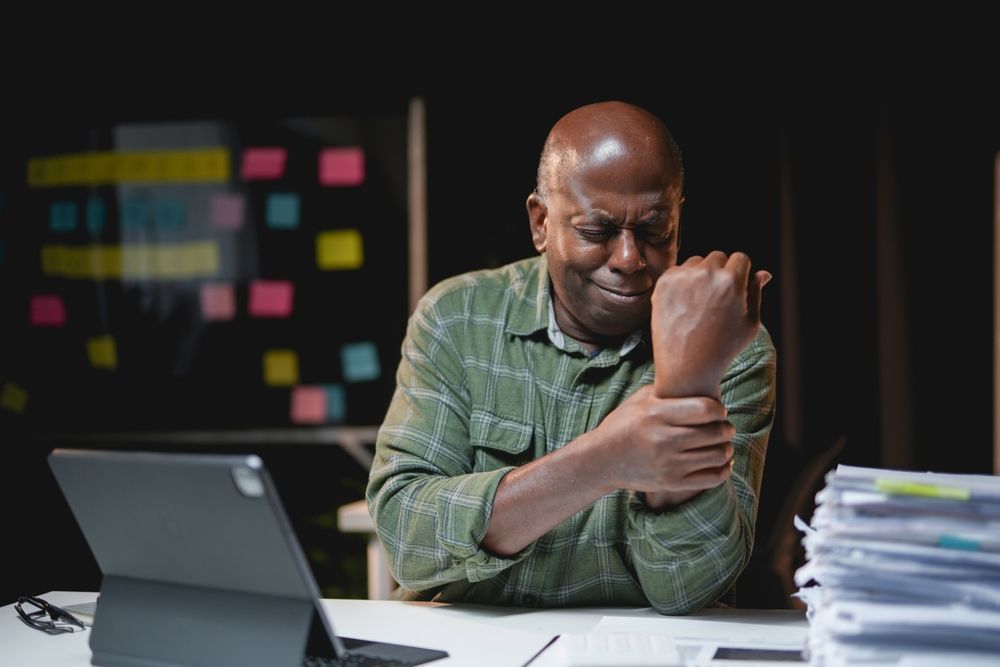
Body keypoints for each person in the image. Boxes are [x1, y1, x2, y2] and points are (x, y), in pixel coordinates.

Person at [366, 100, 776, 614]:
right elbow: (407, 540)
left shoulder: (732, 348)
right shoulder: (458, 317)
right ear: (540, 222)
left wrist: (686, 382)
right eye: (596, 232)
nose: (629, 260)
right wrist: (602, 461)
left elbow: (689, 586)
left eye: (655, 231)